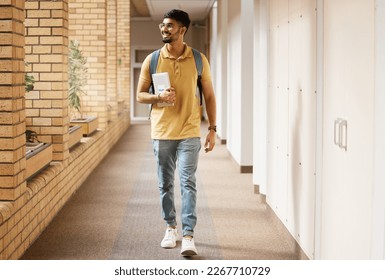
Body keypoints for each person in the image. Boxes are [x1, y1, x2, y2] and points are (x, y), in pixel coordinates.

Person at [136, 9, 217, 256]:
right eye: (162, 25)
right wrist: (157, 97)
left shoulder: (199, 59)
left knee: (188, 182)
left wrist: (212, 129)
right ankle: (170, 227)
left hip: (190, 130)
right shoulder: (152, 60)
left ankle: (189, 234)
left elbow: (210, 96)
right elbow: (140, 95)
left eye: (169, 26)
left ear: (182, 30)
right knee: (165, 184)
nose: (164, 29)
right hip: (161, 131)